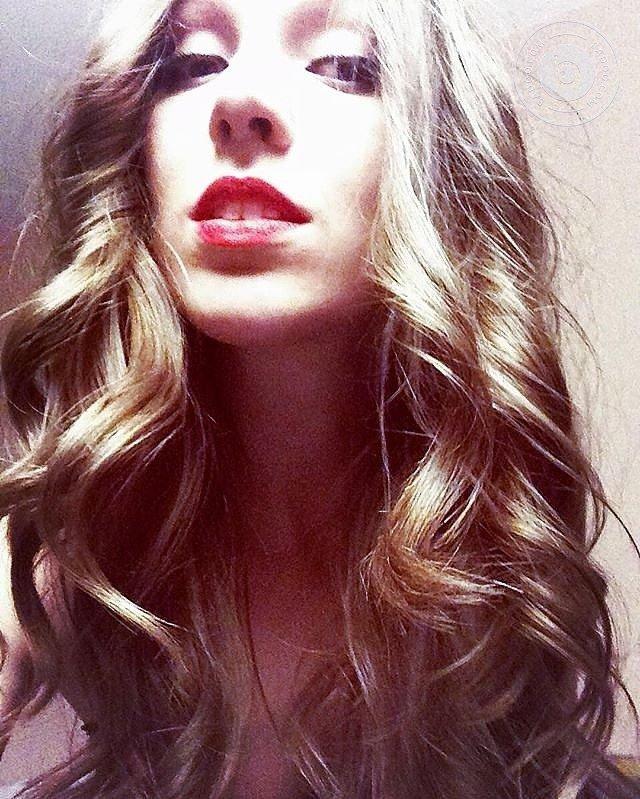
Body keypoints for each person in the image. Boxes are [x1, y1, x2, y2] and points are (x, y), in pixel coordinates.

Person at [0, 0, 638, 796]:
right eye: (194, 64)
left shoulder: (503, 573)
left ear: (442, 163)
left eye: (343, 66)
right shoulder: (61, 560)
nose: (239, 100)